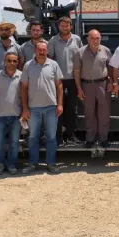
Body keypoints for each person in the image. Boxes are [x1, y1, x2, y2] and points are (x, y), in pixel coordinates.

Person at [20, 41, 64, 174]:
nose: (42, 52)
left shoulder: (53, 65)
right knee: (33, 137)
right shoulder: (28, 66)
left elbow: (59, 86)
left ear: (47, 51)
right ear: (35, 51)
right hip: (33, 109)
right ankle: (33, 163)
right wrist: (25, 108)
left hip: (51, 107)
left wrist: (60, 104)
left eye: (44, 50)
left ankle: (51, 163)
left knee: (51, 137)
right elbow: (23, 88)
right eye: (39, 50)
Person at [73, 29, 113, 151]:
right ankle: (90, 139)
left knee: (104, 114)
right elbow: (76, 71)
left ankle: (103, 139)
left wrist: (112, 81)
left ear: (100, 38)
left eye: (97, 38)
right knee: (89, 113)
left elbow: (110, 67)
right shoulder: (80, 52)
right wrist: (79, 88)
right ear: (88, 39)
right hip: (87, 85)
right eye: (92, 38)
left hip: (103, 84)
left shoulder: (106, 50)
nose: (95, 41)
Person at [48, 16, 83, 145]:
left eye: (66, 26)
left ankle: (71, 135)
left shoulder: (77, 40)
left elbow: (80, 58)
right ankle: (59, 136)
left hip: (74, 80)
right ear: (59, 27)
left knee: (72, 109)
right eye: (62, 26)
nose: (64, 28)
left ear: (70, 27)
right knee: (58, 108)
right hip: (58, 80)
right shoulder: (53, 41)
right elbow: (50, 58)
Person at [0, 52, 22, 175]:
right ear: (5, 61)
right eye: (9, 60)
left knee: (14, 143)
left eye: (14, 61)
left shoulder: (22, 75)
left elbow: (24, 95)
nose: (12, 63)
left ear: (18, 62)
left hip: (16, 115)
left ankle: (11, 164)